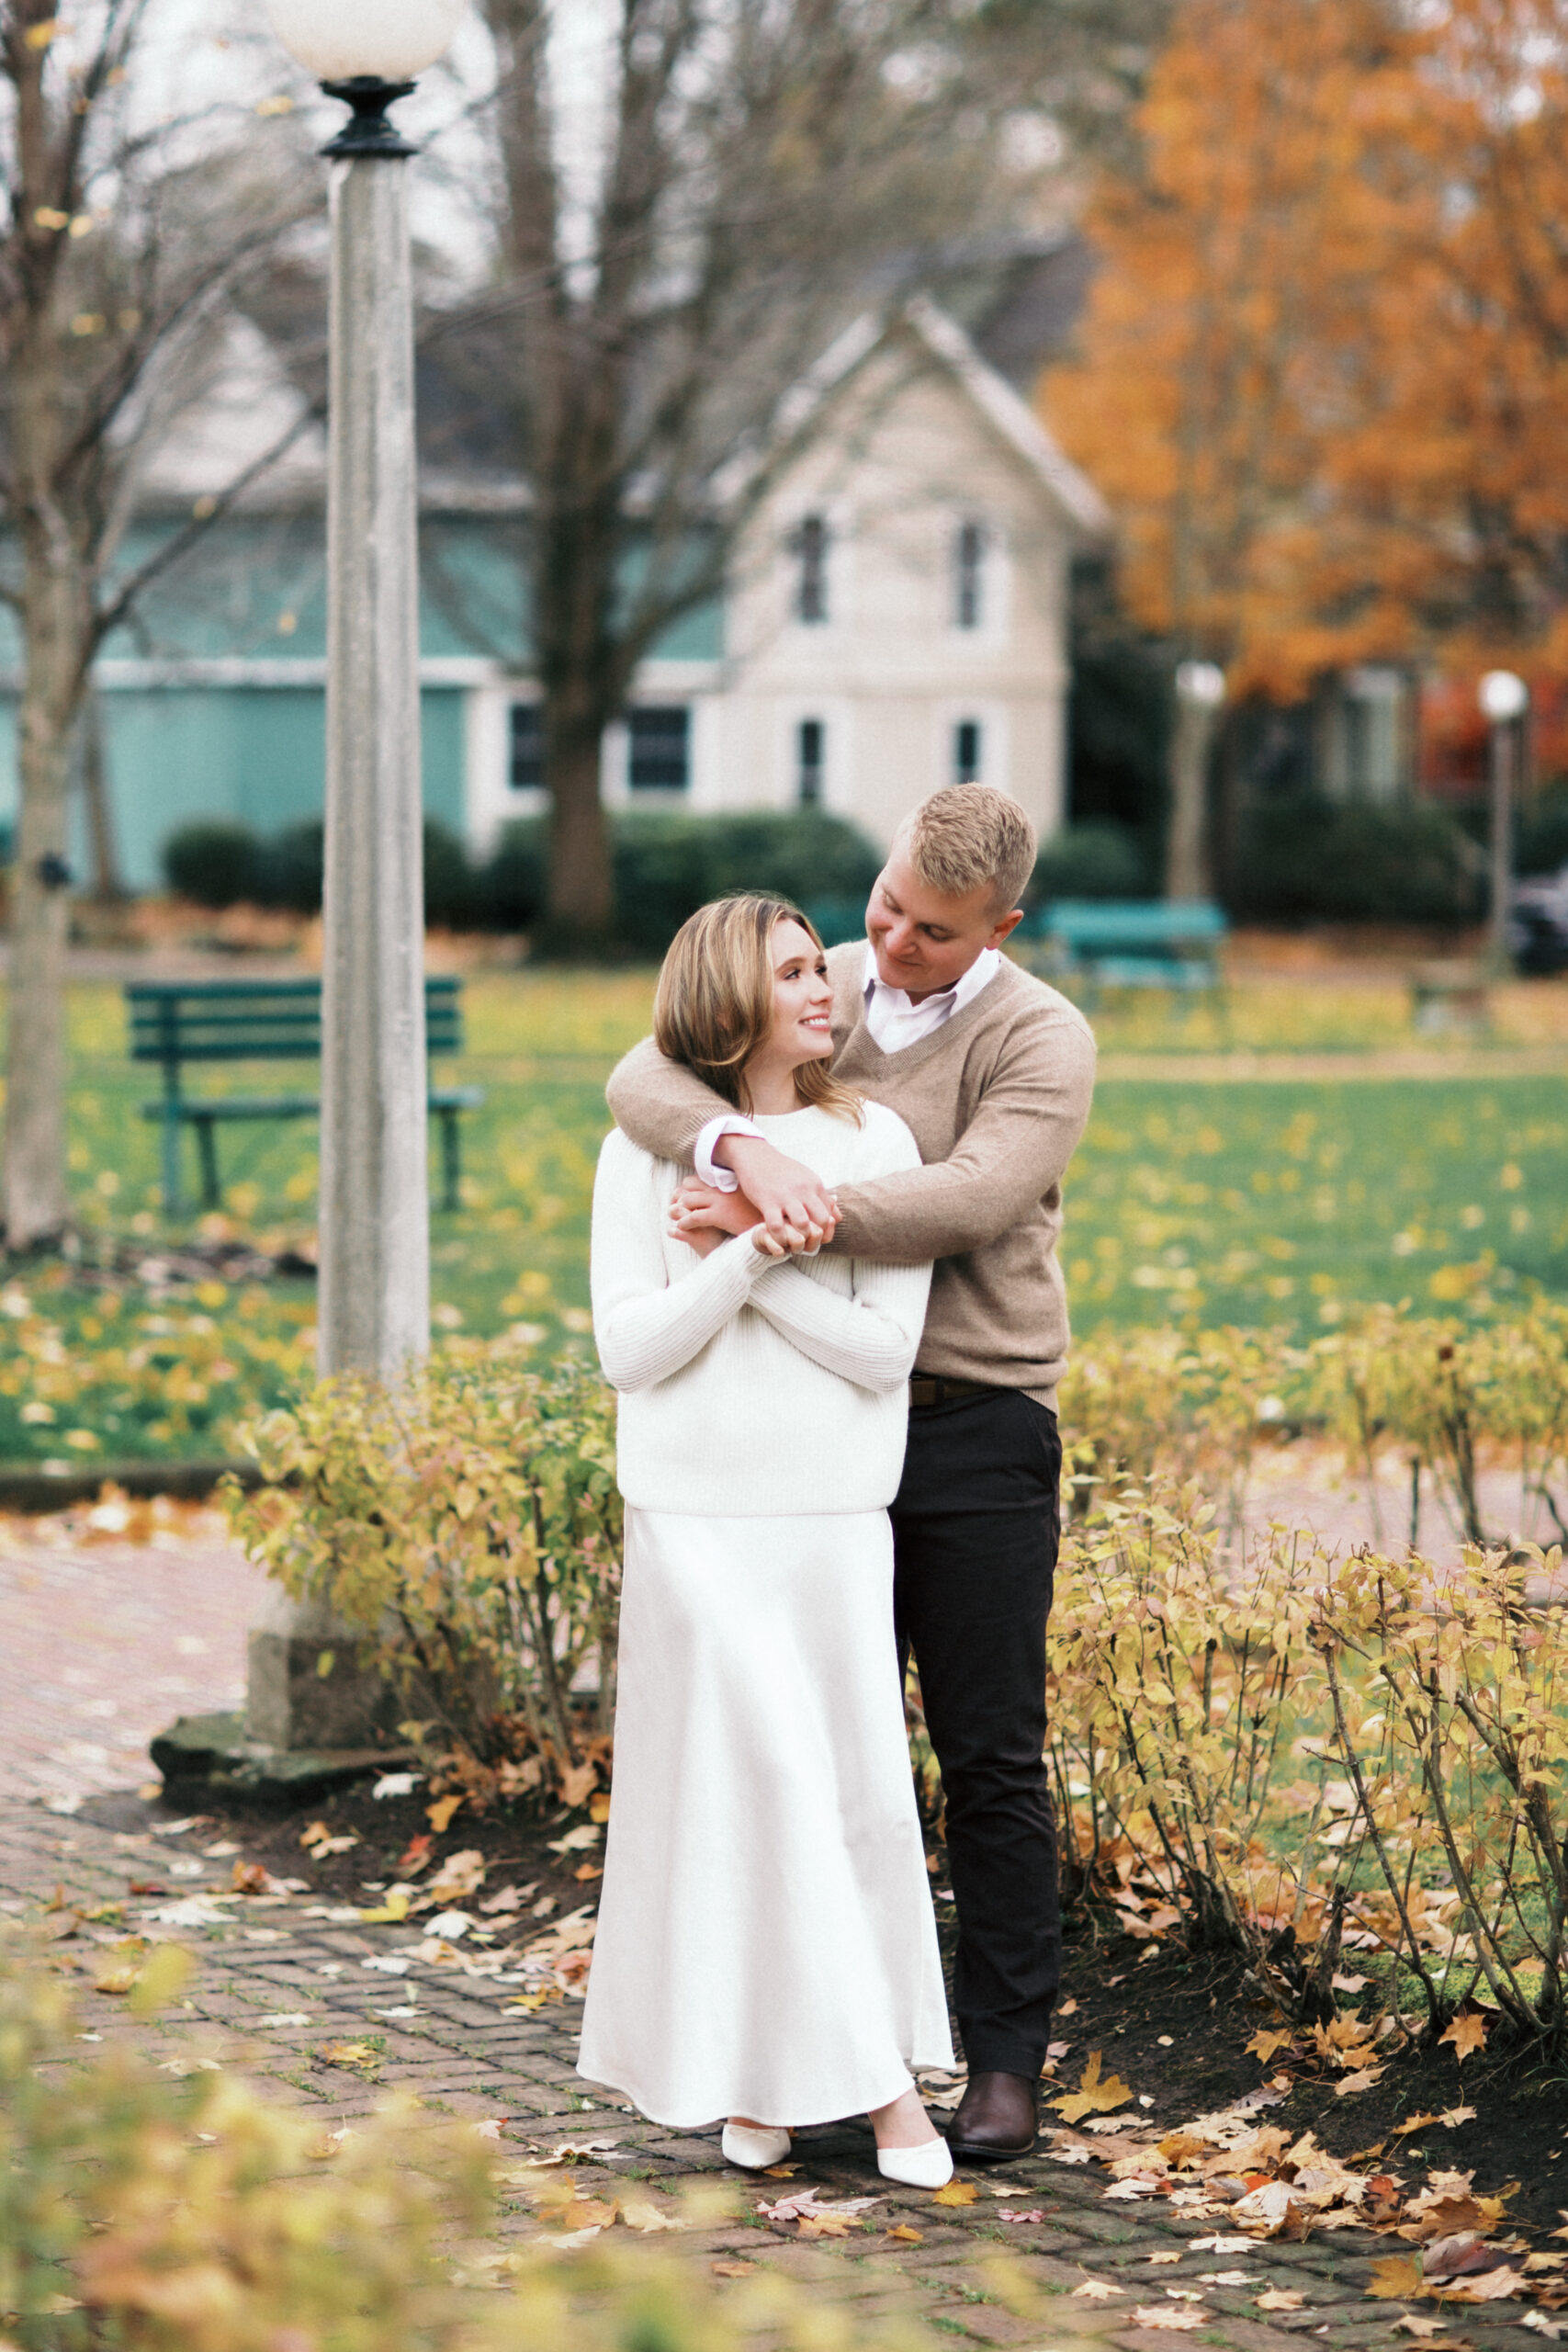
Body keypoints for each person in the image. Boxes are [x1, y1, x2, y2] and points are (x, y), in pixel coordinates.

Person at [605, 785, 1097, 2163]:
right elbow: (642, 1076)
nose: (887, 950)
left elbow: (968, 1200)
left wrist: (775, 1219)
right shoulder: (822, 976)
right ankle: (810, 2054)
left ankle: (1002, 2065)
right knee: (821, 1759)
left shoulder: (1044, 1039)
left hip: (976, 1422)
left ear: (1000, 926)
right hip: (817, 1436)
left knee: (987, 1753)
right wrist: (738, 1140)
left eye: (932, 934)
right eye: (882, 907)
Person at [578, 894, 957, 2187]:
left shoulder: (880, 1139)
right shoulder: (641, 1155)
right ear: (730, 992)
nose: (825, 985)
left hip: (827, 1519)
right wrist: (739, 1268)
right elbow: (632, 1351)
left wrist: (754, 1248)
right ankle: (878, 2095)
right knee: (752, 1803)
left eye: (820, 967)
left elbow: (881, 1354)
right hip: (694, 1521)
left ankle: (787, 2089)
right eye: (792, 970)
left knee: (831, 1798)